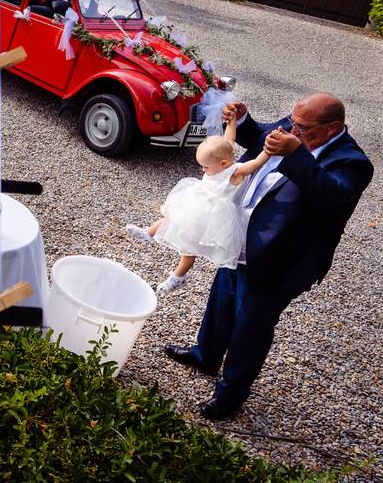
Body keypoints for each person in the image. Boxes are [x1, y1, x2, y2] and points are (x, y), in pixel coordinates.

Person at [163, 92, 373, 420]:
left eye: (302, 127)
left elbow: (334, 197)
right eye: (291, 121)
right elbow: (259, 135)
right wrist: (243, 120)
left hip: (279, 259)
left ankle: (230, 394)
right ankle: (205, 355)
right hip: (238, 239)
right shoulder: (294, 126)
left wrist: (297, 155)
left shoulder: (353, 162)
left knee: (251, 326)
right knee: (221, 301)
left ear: (332, 128)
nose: (291, 129)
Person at [126, 118, 271, 295]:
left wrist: (268, 150)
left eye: (205, 167)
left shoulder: (235, 173)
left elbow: (256, 164)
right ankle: (148, 233)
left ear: (223, 164)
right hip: (197, 204)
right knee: (172, 218)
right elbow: (229, 140)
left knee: (189, 251)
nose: (203, 170)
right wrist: (232, 122)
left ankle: (177, 277)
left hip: (212, 217)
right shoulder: (221, 159)